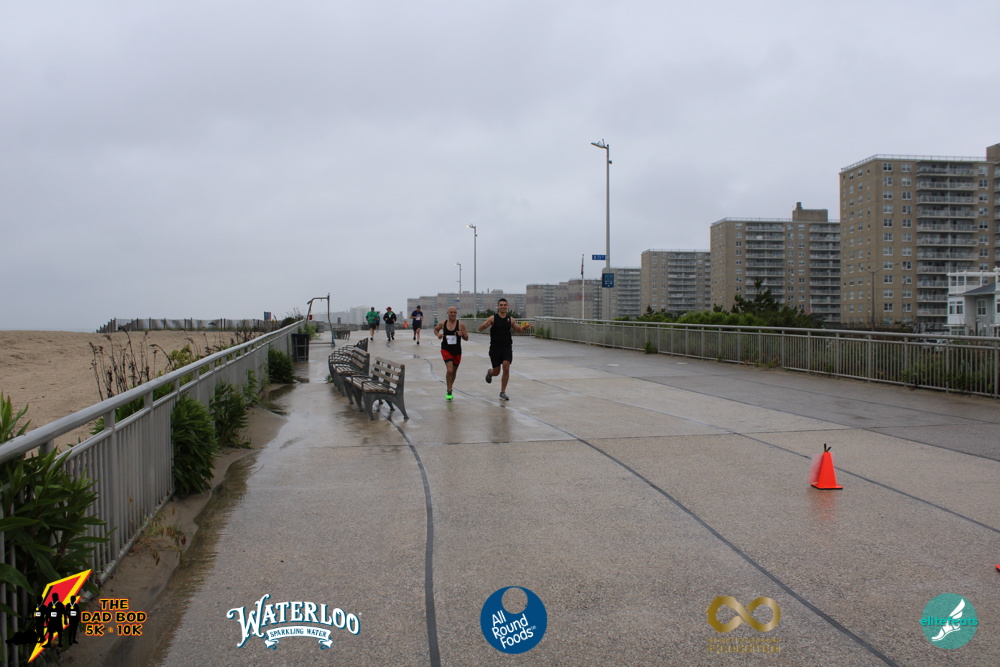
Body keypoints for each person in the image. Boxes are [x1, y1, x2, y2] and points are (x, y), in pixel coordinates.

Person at [479, 298, 530, 401]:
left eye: (504, 305)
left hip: (506, 347)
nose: (503, 307)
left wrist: (524, 328)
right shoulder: (493, 318)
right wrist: (484, 326)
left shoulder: (511, 319)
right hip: (495, 348)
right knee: (497, 372)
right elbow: (480, 328)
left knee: (506, 367)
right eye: (501, 305)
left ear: (507, 306)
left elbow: (519, 330)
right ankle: (490, 373)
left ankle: (502, 392)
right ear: (498, 306)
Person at [434, 306, 468, 401]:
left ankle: (450, 387)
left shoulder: (461, 325)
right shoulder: (443, 323)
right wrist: (438, 334)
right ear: (447, 313)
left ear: (456, 313)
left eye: (454, 312)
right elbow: (436, 329)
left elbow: (466, 338)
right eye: (451, 312)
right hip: (446, 349)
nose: (453, 314)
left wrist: (462, 335)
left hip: (457, 351)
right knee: (450, 370)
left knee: (454, 371)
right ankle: (449, 390)